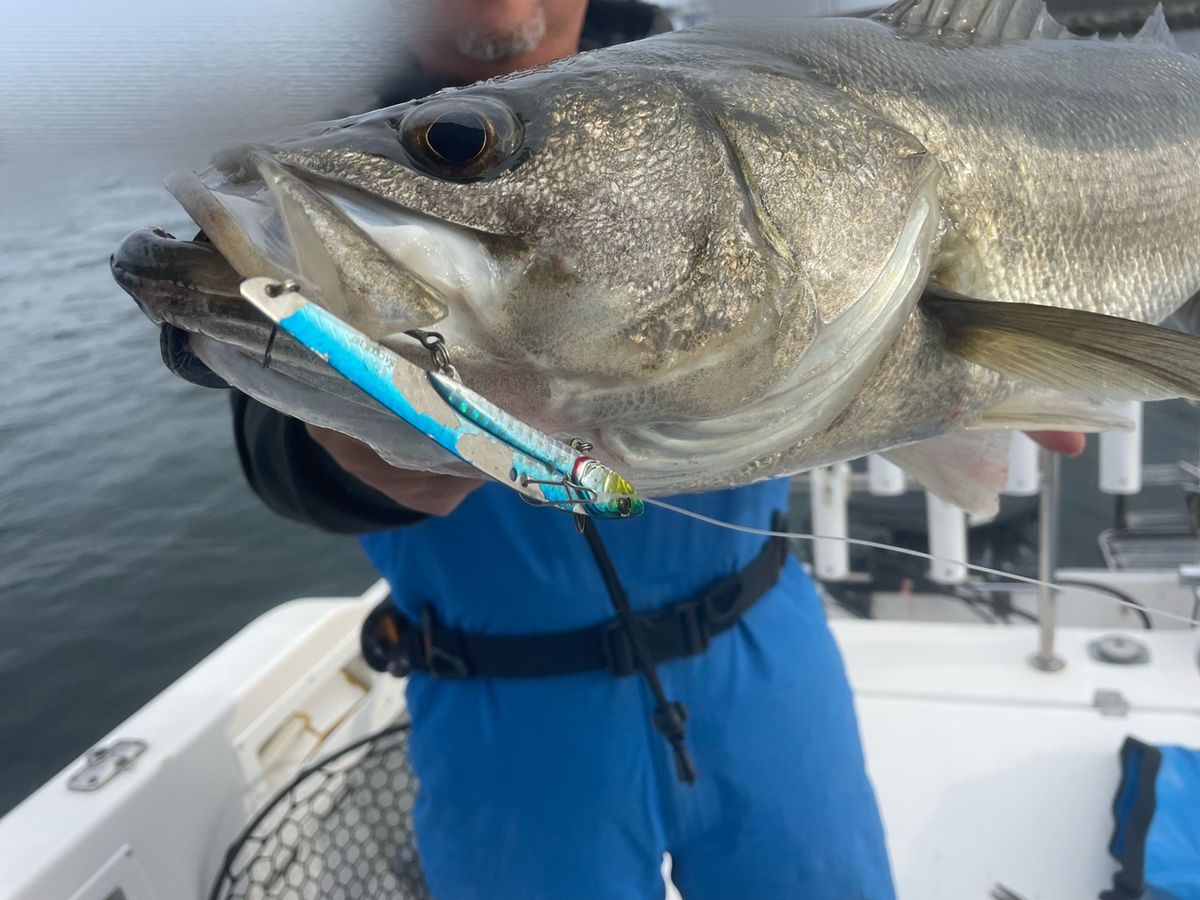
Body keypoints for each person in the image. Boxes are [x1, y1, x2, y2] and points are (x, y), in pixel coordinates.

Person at [231, 1, 1084, 897]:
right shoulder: (306, 154)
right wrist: (360, 458)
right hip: (502, 704)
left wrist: (990, 357)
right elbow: (272, 441)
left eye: (459, 145)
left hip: (763, 649)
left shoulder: (740, 76)